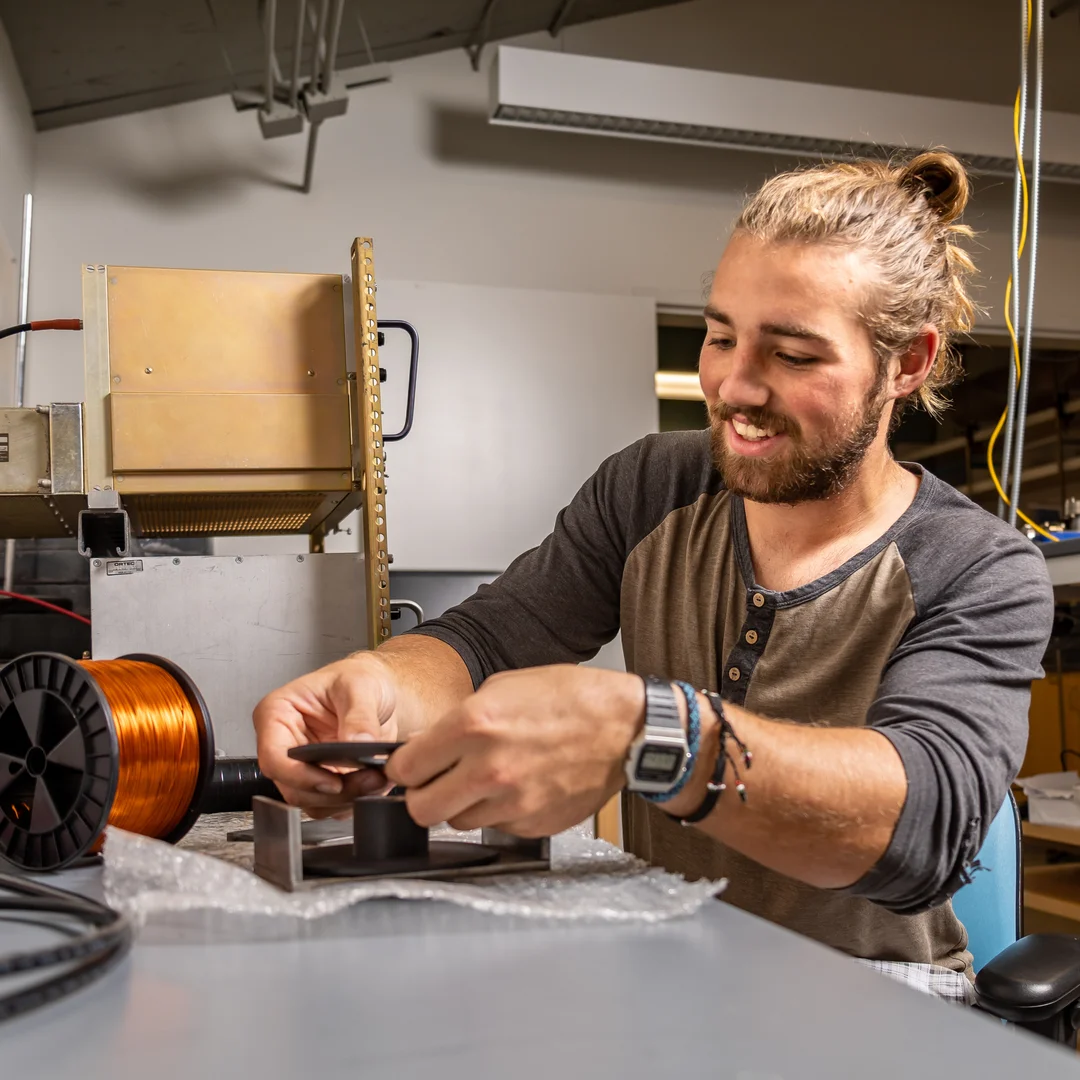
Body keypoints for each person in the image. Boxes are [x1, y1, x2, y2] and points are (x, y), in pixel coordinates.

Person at [254, 150, 1054, 1000]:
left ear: (909, 363)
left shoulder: (979, 568)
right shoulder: (654, 488)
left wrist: (648, 731)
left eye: (792, 354)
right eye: (720, 336)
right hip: (673, 956)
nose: (733, 387)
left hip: (877, 993)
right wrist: (374, 682)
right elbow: (491, 640)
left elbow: (918, 831)